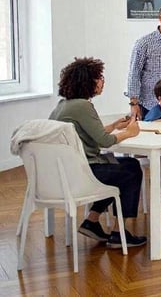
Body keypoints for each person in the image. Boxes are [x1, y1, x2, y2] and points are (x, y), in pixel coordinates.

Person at [49, 57, 147, 248]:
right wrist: (129, 132)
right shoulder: (83, 106)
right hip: (83, 171)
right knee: (131, 170)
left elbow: (88, 134)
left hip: (67, 170)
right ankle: (119, 234)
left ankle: (92, 221)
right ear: (88, 81)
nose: (103, 81)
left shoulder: (64, 105)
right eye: (99, 77)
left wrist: (113, 126)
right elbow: (105, 142)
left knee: (121, 166)